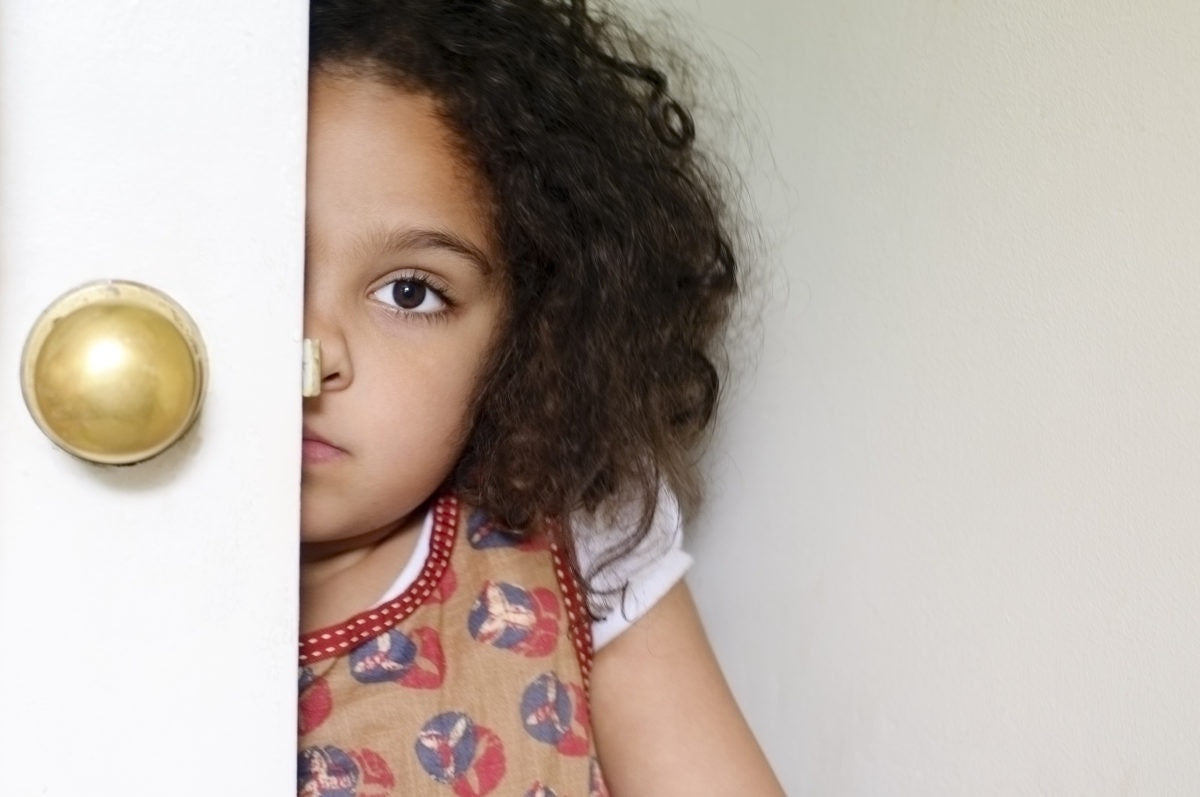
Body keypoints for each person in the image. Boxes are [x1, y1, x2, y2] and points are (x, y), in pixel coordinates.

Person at [297, 1, 785, 794]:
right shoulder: (99, 570)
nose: (316, 354)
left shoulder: (571, 541)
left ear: (526, 334)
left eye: (412, 292)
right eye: (270, 271)